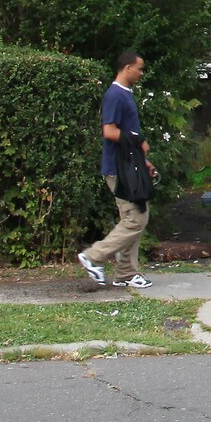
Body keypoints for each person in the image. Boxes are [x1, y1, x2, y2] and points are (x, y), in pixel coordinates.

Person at [79, 49, 156, 290]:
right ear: (127, 68)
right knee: (136, 218)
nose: (141, 73)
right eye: (139, 68)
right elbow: (109, 131)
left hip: (130, 165)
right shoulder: (115, 95)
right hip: (118, 169)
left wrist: (143, 161)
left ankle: (126, 273)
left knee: (134, 217)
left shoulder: (125, 94)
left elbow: (126, 133)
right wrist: (139, 142)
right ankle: (92, 256)